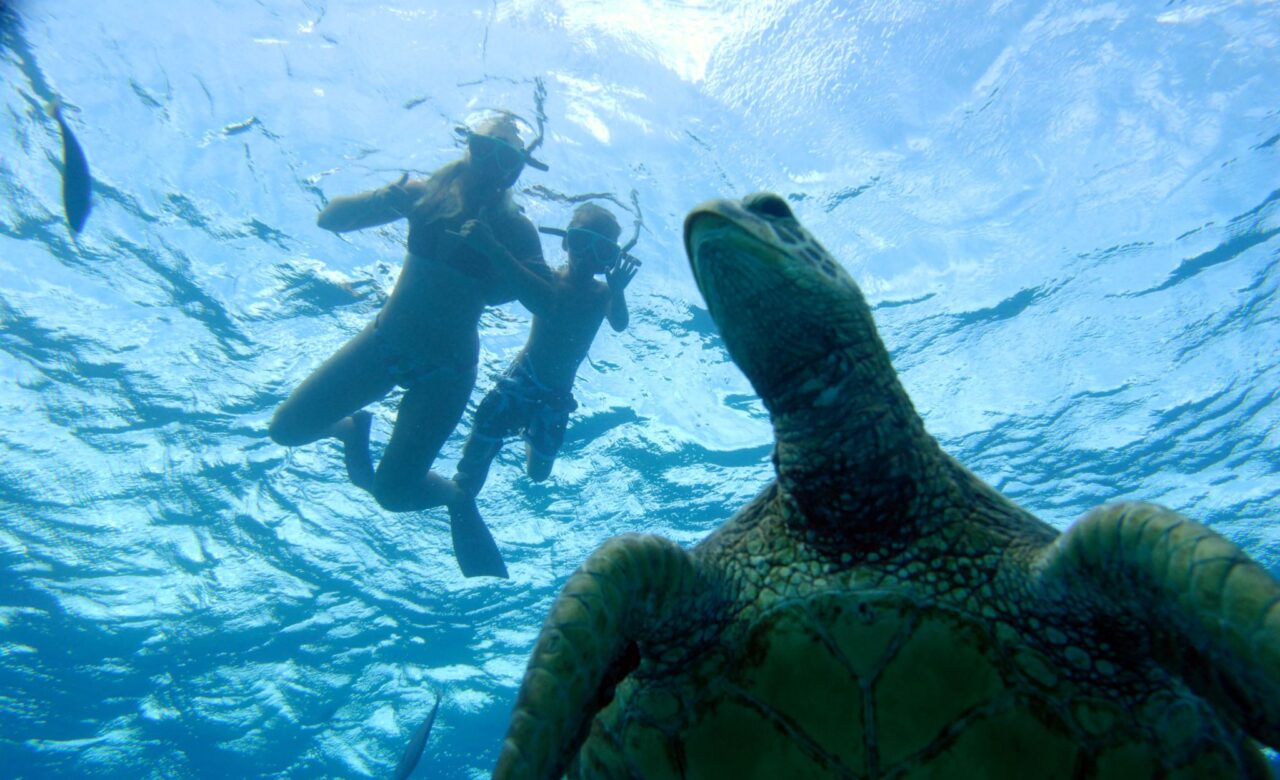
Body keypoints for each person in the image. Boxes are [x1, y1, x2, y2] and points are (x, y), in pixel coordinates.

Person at [268, 114, 549, 578]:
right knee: (286, 429)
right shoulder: (426, 196)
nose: (496, 167)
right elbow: (329, 218)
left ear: (518, 169)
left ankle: (456, 496)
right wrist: (386, 198)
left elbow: (544, 301)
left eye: (509, 159)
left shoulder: (518, 230)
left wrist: (498, 252)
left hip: (447, 371)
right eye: (487, 151)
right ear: (470, 148)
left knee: (394, 494)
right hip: (383, 344)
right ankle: (349, 428)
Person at [450, 202, 639, 513]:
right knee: (475, 452)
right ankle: (463, 496)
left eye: (602, 251)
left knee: (538, 475)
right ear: (565, 242)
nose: (587, 256)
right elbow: (506, 286)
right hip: (520, 380)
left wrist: (618, 291)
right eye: (580, 242)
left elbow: (619, 324)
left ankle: (520, 432)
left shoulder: (603, 294)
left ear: (611, 258)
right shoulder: (547, 279)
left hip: (557, 397)